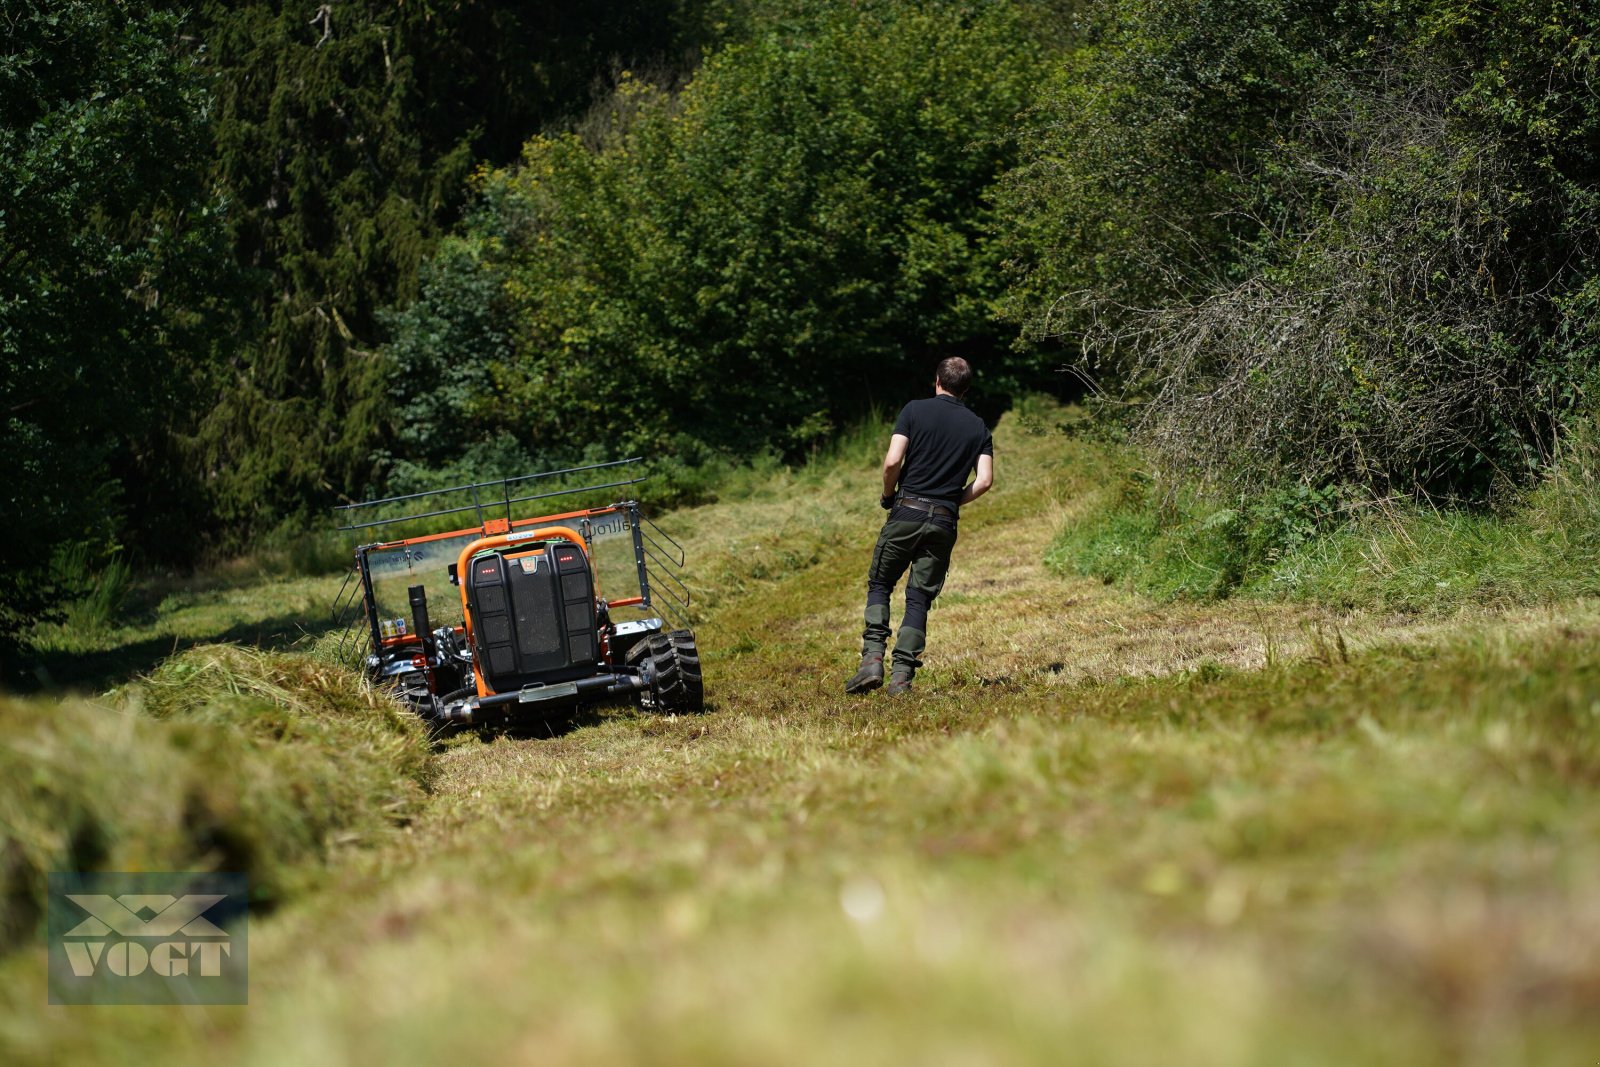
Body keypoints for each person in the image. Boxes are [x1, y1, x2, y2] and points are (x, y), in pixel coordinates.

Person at [844, 356, 993, 696]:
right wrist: (951, 500)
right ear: (966, 388)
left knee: (881, 582)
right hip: (943, 520)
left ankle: (871, 661)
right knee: (918, 598)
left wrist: (888, 494)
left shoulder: (914, 410)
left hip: (906, 511)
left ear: (937, 381)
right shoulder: (978, 427)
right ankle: (901, 679)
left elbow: (893, 460)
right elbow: (984, 481)